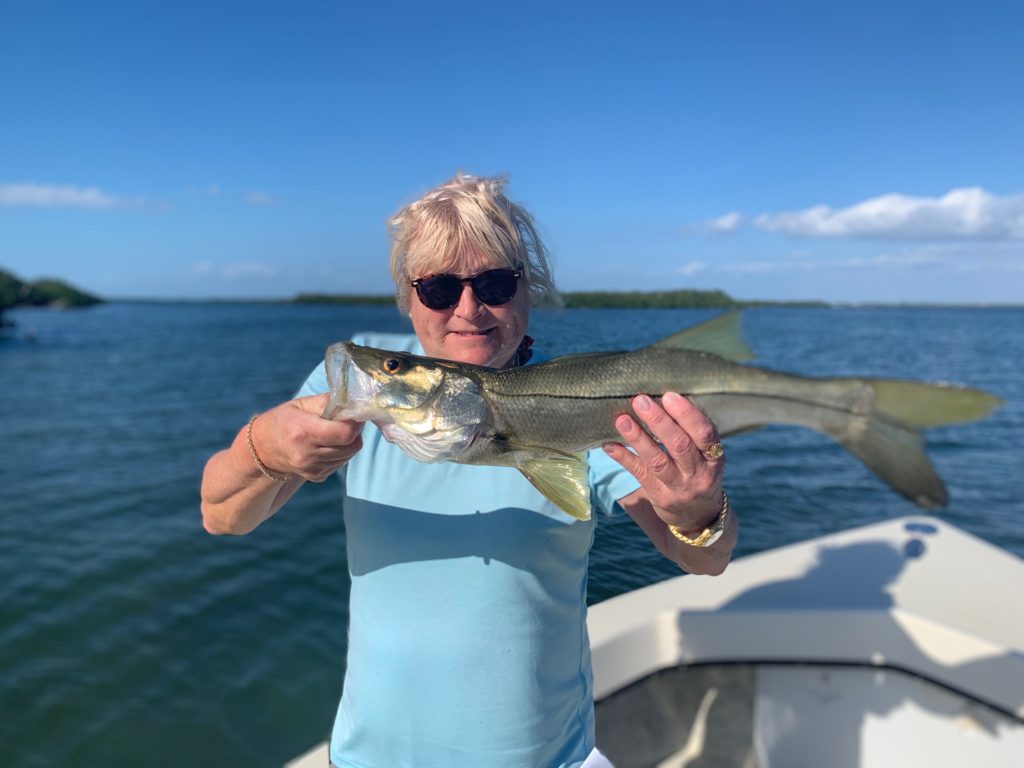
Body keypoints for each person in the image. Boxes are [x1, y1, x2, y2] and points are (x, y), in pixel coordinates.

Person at [200, 173, 738, 768]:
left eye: (495, 283)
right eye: (436, 288)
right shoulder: (374, 381)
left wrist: (697, 510)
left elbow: (705, 558)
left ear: (527, 289)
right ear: (408, 298)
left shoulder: (584, 403)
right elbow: (222, 515)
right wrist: (268, 446)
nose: (468, 309)